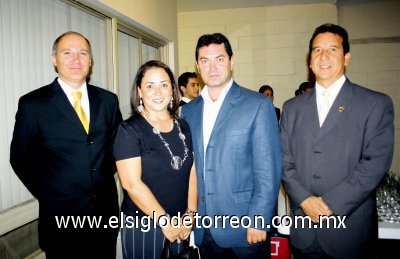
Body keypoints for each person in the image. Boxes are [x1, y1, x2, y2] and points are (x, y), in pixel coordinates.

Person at [280, 23, 394, 258]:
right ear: (309, 59)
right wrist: (304, 200)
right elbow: (283, 160)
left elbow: (374, 164)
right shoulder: (292, 108)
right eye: (316, 50)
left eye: (332, 49)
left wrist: (329, 204)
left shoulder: (374, 104)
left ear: (347, 57)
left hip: (349, 230)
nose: (323, 56)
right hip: (304, 230)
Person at [10, 31, 122, 258]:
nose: (76, 59)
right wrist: (52, 192)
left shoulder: (108, 100)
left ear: (90, 61)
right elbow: (21, 158)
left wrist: (98, 179)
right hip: (60, 220)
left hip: (104, 216)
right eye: (67, 53)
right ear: (54, 60)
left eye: (83, 53)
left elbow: (116, 148)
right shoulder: (33, 104)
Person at [181, 32, 282, 259]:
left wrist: (259, 219)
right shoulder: (189, 111)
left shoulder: (257, 105)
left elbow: (268, 170)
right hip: (206, 230)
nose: (212, 67)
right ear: (197, 65)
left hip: (245, 228)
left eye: (220, 59)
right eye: (205, 61)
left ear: (232, 61)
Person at [113, 60, 197, 259]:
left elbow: (192, 169)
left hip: (181, 222)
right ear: (140, 91)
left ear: (173, 90)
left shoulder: (183, 126)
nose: (158, 92)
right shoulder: (129, 130)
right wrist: (165, 223)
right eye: (150, 86)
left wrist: (191, 213)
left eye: (164, 84)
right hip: (145, 225)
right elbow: (131, 184)